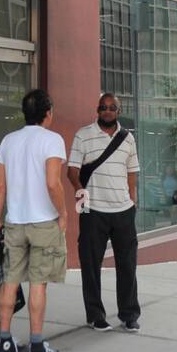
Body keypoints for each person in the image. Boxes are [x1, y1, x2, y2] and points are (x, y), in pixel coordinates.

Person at [0, 89, 68, 352]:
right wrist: (63, 213)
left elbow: (1, 185)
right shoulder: (53, 140)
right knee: (38, 283)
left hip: (15, 221)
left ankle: (4, 342)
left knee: (10, 280)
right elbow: (53, 183)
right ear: (48, 113)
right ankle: (37, 347)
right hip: (43, 222)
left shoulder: (8, 141)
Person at [67, 92, 141, 333]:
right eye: (103, 107)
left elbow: (132, 171)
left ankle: (129, 314)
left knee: (127, 265)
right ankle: (95, 315)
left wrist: (133, 199)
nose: (107, 111)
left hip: (123, 210)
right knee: (90, 265)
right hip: (93, 210)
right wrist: (80, 190)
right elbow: (72, 170)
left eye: (112, 107)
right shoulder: (83, 135)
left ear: (118, 111)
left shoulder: (127, 139)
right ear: (97, 110)